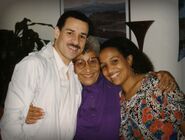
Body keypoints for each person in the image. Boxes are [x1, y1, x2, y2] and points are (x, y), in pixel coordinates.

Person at [25, 36, 177, 140]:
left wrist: (163, 75)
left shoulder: (115, 85)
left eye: (93, 61)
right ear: (73, 67)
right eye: (80, 63)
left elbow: (135, 80)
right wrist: (25, 112)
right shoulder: (67, 90)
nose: (88, 68)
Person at [0, 10, 93, 140]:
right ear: (57, 32)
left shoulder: (75, 74)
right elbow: (10, 125)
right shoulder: (33, 65)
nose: (76, 41)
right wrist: (23, 113)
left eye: (82, 36)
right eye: (70, 33)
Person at [99, 36, 185, 139]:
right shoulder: (118, 98)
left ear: (129, 60)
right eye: (103, 66)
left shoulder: (158, 84)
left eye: (114, 61)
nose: (109, 69)